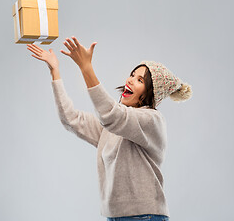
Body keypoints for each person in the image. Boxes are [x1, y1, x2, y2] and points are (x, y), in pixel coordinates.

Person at [26, 37, 193, 221]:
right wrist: (55, 71)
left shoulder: (152, 120)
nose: (130, 81)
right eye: (132, 75)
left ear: (151, 94)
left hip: (145, 216)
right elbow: (71, 119)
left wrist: (86, 67)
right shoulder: (113, 126)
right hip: (114, 217)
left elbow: (111, 115)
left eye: (140, 80)